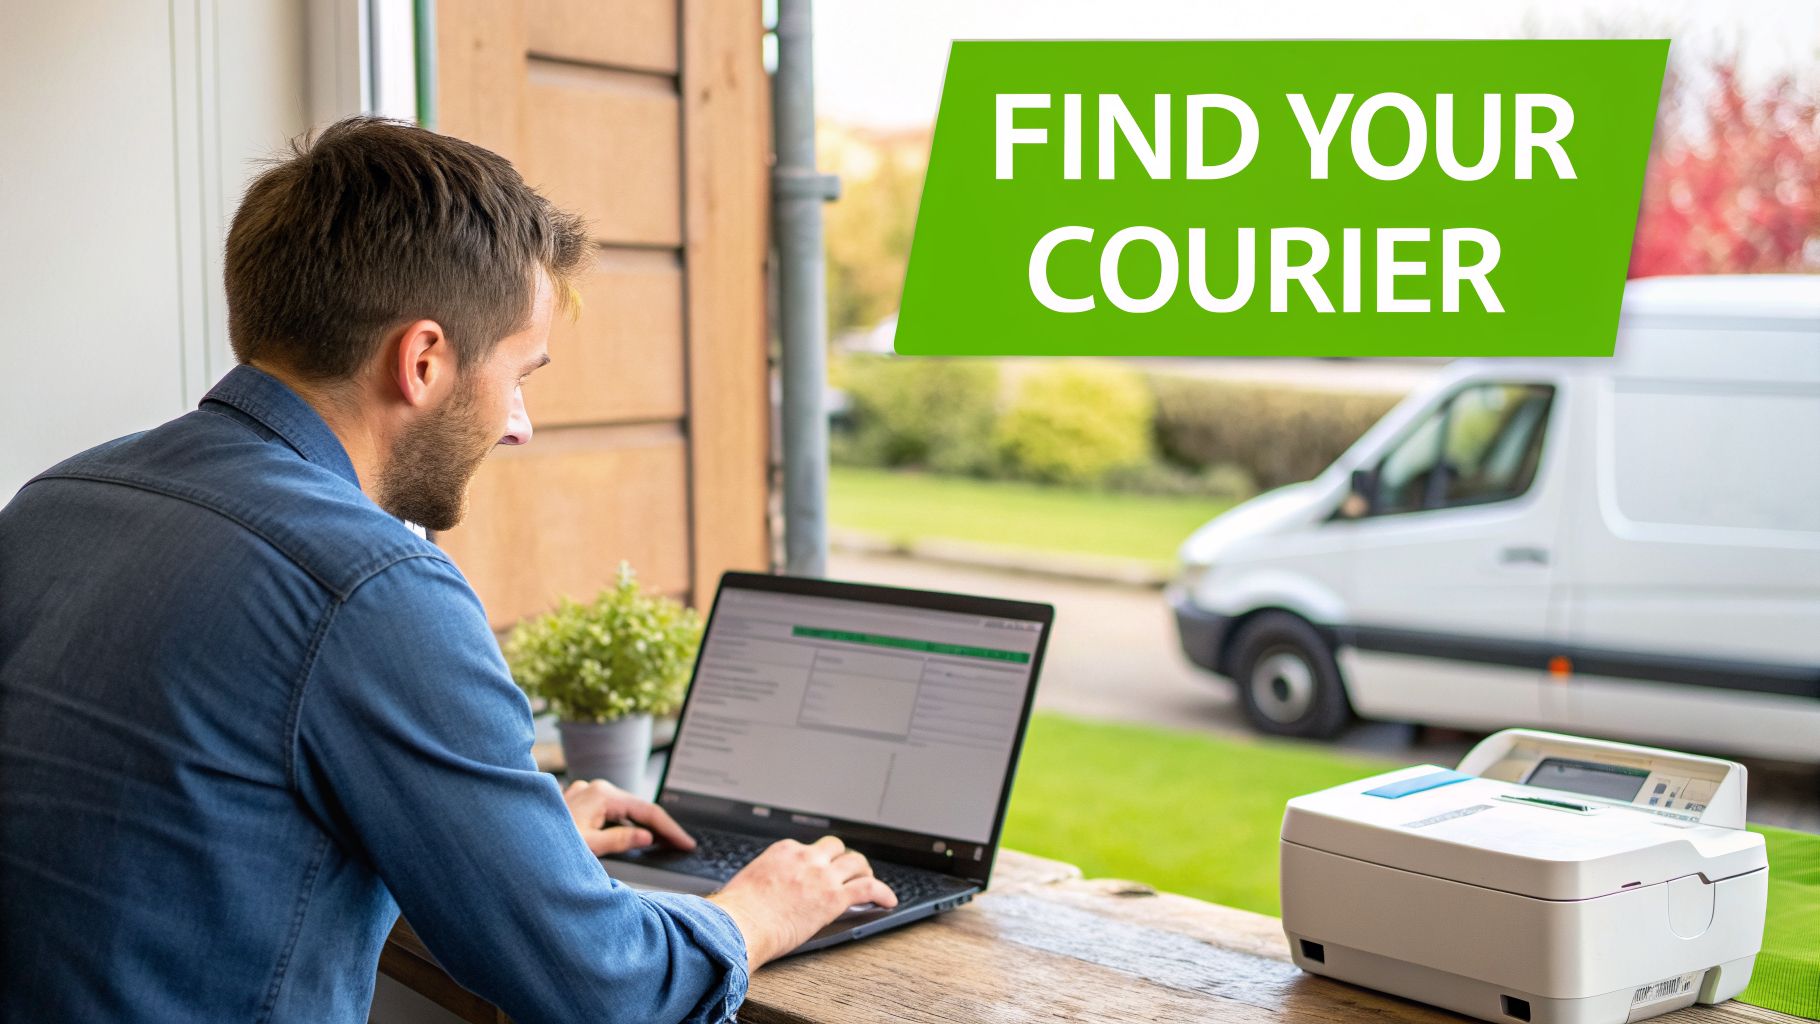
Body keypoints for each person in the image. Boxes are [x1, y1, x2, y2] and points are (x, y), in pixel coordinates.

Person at [0, 117, 894, 1024]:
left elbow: (201, 842)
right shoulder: (372, 585)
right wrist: (752, 915)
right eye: (521, 376)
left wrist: (515, 846)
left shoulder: (58, 500)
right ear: (423, 360)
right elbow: (598, 990)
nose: (519, 423)